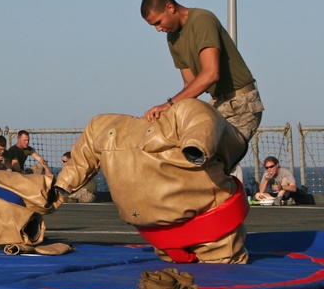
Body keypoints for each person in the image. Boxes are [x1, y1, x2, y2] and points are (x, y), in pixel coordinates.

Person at [53, 98, 249, 264]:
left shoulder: (101, 127)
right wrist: (196, 147)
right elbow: (206, 124)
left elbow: (80, 161)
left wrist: (62, 185)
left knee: (174, 274)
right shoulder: (188, 109)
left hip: (156, 232)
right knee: (223, 270)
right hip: (207, 227)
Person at [140, 0, 264, 142]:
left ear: (170, 8)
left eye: (158, 22)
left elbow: (211, 74)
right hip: (218, 104)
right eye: (154, 25)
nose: (158, 29)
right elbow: (190, 84)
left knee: (207, 156)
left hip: (242, 103)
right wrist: (168, 114)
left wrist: (168, 105)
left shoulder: (202, 20)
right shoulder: (172, 37)